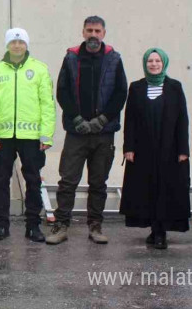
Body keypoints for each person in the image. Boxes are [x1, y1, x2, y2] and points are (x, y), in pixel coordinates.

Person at [47, 16, 127, 245]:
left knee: (98, 182)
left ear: (104, 33)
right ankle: (61, 226)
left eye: (97, 31)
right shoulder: (71, 58)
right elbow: (62, 91)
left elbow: (121, 93)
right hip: (76, 133)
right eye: (89, 30)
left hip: (104, 133)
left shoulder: (114, 59)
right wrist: (77, 119)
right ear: (83, 32)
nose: (93, 34)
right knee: (68, 181)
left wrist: (101, 119)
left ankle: (95, 226)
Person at [0, 28, 55, 242]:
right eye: (13, 42)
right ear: (7, 45)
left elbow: (47, 104)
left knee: (33, 181)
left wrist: (46, 135)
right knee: (0, 181)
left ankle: (33, 226)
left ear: (26, 45)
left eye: (21, 42)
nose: (17, 46)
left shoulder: (40, 69)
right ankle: (1, 226)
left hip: (32, 137)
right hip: (3, 137)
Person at [120, 48, 190, 249]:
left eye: (157, 60)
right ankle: (153, 229)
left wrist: (183, 150)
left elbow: (182, 120)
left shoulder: (175, 87)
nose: (153, 64)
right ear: (145, 64)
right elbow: (130, 120)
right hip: (143, 150)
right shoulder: (136, 88)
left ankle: (161, 233)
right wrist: (129, 148)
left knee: (165, 189)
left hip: (169, 149)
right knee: (146, 190)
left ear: (164, 63)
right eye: (150, 61)